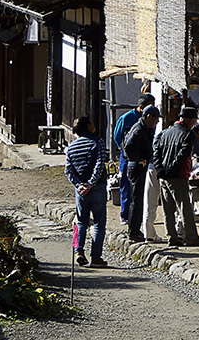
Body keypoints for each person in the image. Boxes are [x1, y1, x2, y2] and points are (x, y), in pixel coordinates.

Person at [153, 106, 199, 247]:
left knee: (168, 209)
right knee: (184, 208)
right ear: (188, 120)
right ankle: (191, 237)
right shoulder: (189, 135)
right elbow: (192, 156)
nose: (194, 123)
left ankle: (172, 237)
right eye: (193, 120)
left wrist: (161, 169)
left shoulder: (164, 132)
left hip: (163, 177)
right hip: (178, 176)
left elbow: (156, 152)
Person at [65, 116, 108, 268]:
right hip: (97, 187)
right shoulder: (97, 142)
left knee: (79, 222)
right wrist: (91, 183)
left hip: (80, 190)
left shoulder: (72, 146)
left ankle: (78, 251)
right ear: (88, 126)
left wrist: (79, 185)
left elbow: (68, 170)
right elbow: (100, 164)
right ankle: (96, 257)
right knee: (98, 222)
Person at [113, 93, 155, 225]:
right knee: (126, 185)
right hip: (127, 156)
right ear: (141, 107)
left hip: (143, 157)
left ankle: (138, 216)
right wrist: (127, 152)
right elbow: (117, 137)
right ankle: (125, 214)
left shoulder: (149, 120)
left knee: (140, 188)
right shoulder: (126, 118)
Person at [124, 104, 160, 242]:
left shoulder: (146, 128)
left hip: (140, 165)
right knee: (136, 201)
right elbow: (128, 147)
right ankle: (133, 231)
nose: (156, 122)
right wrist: (139, 160)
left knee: (139, 200)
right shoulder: (138, 129)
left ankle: (135, 230)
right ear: (148, 117)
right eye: (155, 119)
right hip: (136, 167)